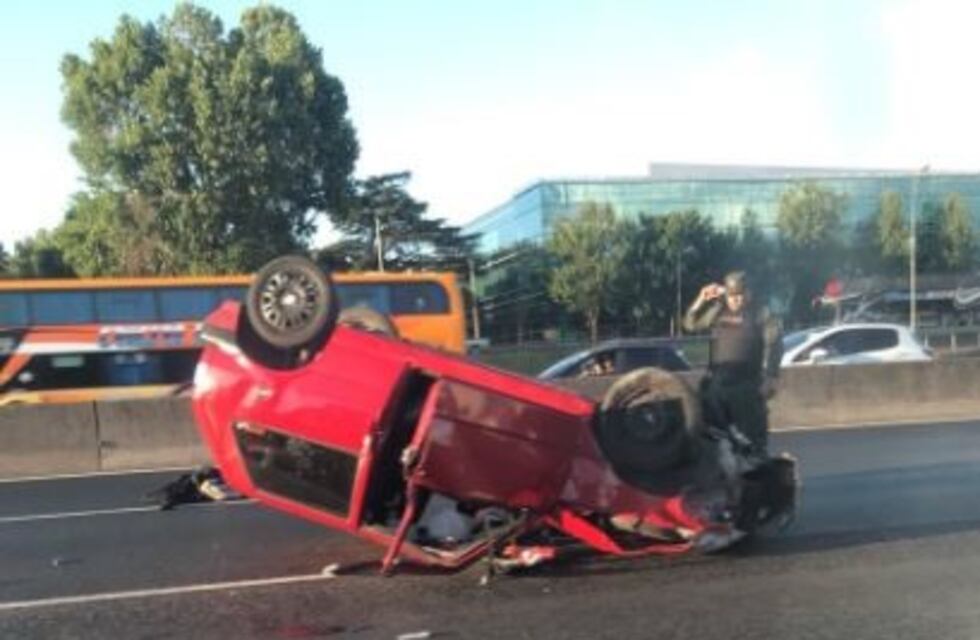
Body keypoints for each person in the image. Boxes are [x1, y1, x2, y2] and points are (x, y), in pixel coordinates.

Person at [682, 271, 782, 451]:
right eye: (732, 296)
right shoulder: (718, 310)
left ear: (749, 294)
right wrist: (701, 298)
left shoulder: (760, 313)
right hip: (717, 388)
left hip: (746, 389)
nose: (736, 300)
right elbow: (690, 324)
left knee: (753, 447)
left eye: (740, 295)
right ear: (726, 294)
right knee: (711, 444)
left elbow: (774, 344)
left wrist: (770, 377)